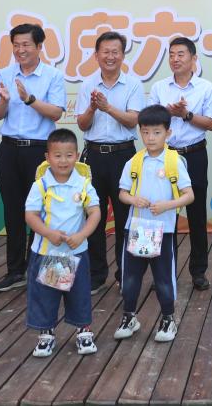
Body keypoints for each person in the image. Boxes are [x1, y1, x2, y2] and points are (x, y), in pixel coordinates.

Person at [0, 23, 67, 293]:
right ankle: (15, 271)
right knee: (12, 210)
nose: (20, 50)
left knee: (40, 210)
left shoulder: (52, 76)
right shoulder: (6, 73)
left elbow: (56, 112)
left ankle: (38, 269)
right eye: (16, 45)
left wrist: (29, 99)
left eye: (26, 45)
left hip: (38, 150)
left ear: (39, 47)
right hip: (9, 148)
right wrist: (4, 100)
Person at [114, 105, 194, 343]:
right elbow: (122, 193)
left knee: (163, 278)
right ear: (140, 132)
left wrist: (168, 205)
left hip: (163, 230)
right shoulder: (134, 161)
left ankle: (168, 319)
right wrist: (133, 199)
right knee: (130, 277)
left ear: (168, 133)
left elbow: (189, 195)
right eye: (146, 132)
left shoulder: (174, 161)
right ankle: (129, 316)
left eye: (157, 132)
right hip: (137, 229)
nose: (151, 138)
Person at [148, 37, 212, 291]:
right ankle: (164, 272)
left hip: (194, 154)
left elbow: (211, 123)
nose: (175, 59)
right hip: (165, 156)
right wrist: (168, 112)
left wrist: (186, 114)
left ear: (193, 58)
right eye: (172, 54)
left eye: (181, 54)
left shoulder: (206, 88)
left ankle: (198, 271)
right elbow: (150, 121)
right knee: (164, 214)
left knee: (196, 215)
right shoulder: (159, 88)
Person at [76, 31, 144, 293]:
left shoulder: (133, 85)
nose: (110, 56)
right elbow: (82, 124)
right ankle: (96, 274)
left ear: (123, 55)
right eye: (105, 51)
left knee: (126, 216)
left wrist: (108, 108)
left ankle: (125, 273)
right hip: (93, 156)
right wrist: (92, 108)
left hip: (123, 156)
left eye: (115, 52)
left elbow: (133, 120)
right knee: (94, 215)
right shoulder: (87, 85)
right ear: (96, 55)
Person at [24, 128, 101, 358]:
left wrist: (82, 235)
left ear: (76, 156)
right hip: (48, 252)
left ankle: (83, 331)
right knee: (46, 295)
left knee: (79, 294)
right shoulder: (41, 185)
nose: (63, 161)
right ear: (47, 157)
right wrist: (48, 233)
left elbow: (95, 212)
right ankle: (46, 334)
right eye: (57, 155)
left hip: (76, 252)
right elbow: (30, 216)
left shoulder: (84, 184)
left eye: (68, 155)